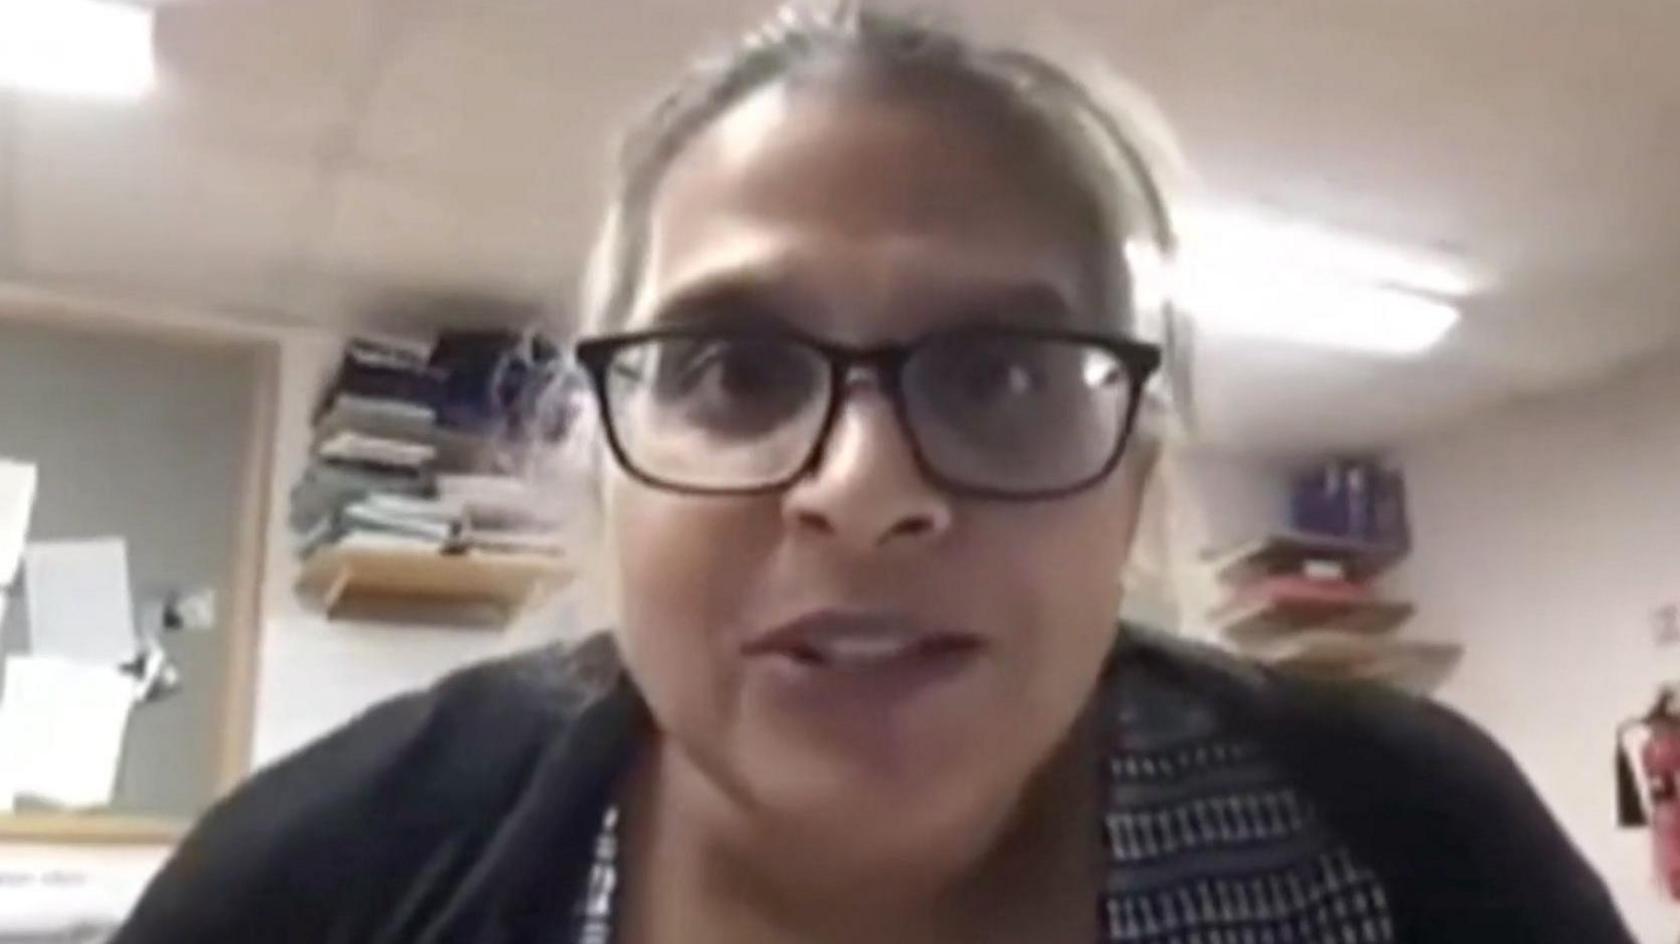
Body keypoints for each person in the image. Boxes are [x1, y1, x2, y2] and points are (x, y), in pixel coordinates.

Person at [115, 4, 1634, 943]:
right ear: (608, 471)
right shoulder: (329, 882)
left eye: (1002, 376)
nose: (862, 487)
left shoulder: (1411, 850)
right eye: (732, 368)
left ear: (1131, 488)